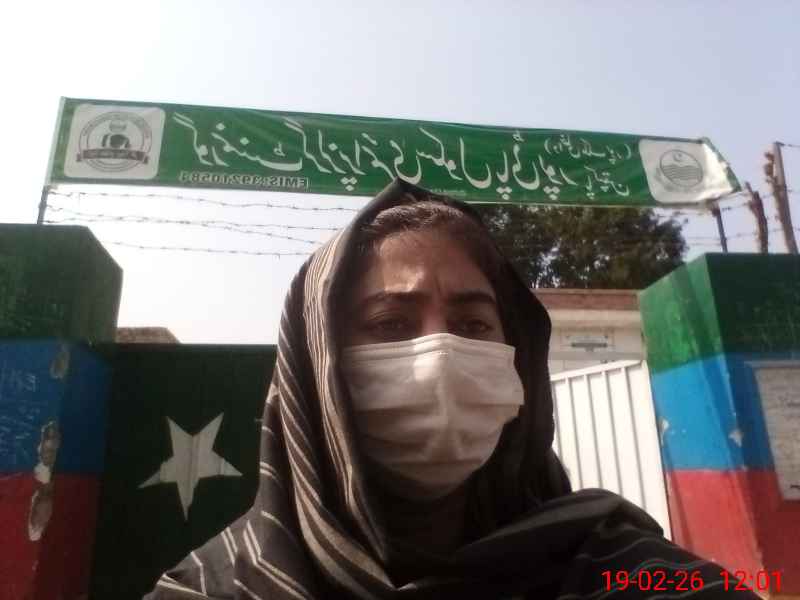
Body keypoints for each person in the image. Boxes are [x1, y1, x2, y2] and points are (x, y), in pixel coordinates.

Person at [145, 180, 757, 599]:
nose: (441, 354)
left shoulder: (621, 571)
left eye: (473, 325)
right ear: (316, 371)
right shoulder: (217, 586)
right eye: (391, 324)